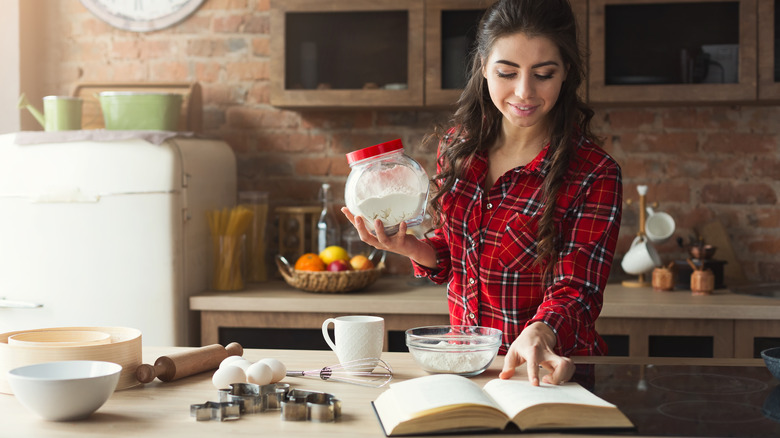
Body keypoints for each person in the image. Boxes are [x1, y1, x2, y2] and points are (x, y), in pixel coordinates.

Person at [343, 0, 622, 386]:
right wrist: (410, 247)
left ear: (566, 73)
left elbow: (578, 289)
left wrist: (541, 330)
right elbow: (455, 251)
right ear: (483, 67)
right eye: (507, 72)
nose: (524, 92)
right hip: (469, 370)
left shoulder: (594, 173)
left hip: (549, 374)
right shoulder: (459, 147)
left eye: (543, 74)